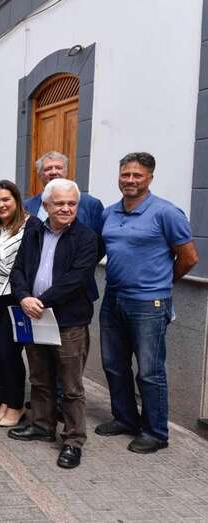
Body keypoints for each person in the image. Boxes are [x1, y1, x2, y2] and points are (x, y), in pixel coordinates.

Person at [96, 152, 198, 454]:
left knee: (150, 371)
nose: (129, 180)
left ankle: (155, 432)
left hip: (149, 303)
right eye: (125, 174)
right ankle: (125, 419)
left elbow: (189, 258)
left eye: (137, 175)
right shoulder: (110, 213)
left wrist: (161, 285)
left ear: (150, 178)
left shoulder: (166, 213)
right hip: (113, 297)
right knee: (114, 365)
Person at [7, 178, 99, 469]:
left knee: (71, 387)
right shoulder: (33, 232)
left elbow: (77, 278)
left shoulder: (86, 237)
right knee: (40, 377)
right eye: (59, 203)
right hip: (34, 316)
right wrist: (23, 297)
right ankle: (42, 425)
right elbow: (19, 268)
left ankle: (73, 441)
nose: (66, 208)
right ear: (45, 205)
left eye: (71, 203)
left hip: (68, 321)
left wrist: (41, 301)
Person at [0, 180, 37, 427]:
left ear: (16, 200)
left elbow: (28, 265)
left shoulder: (31, 226)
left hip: (16, 299)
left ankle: (16, 406)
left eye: (6, 200)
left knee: (11, 353)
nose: (1, 205)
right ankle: (4, 400)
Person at [24, 151, 104, 235]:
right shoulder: (28, 205)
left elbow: (99, 241)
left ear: (66, 171)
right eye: (48, 169)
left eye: (58, 168)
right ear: (39, 174)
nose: (54, 172)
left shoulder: (90, 204)